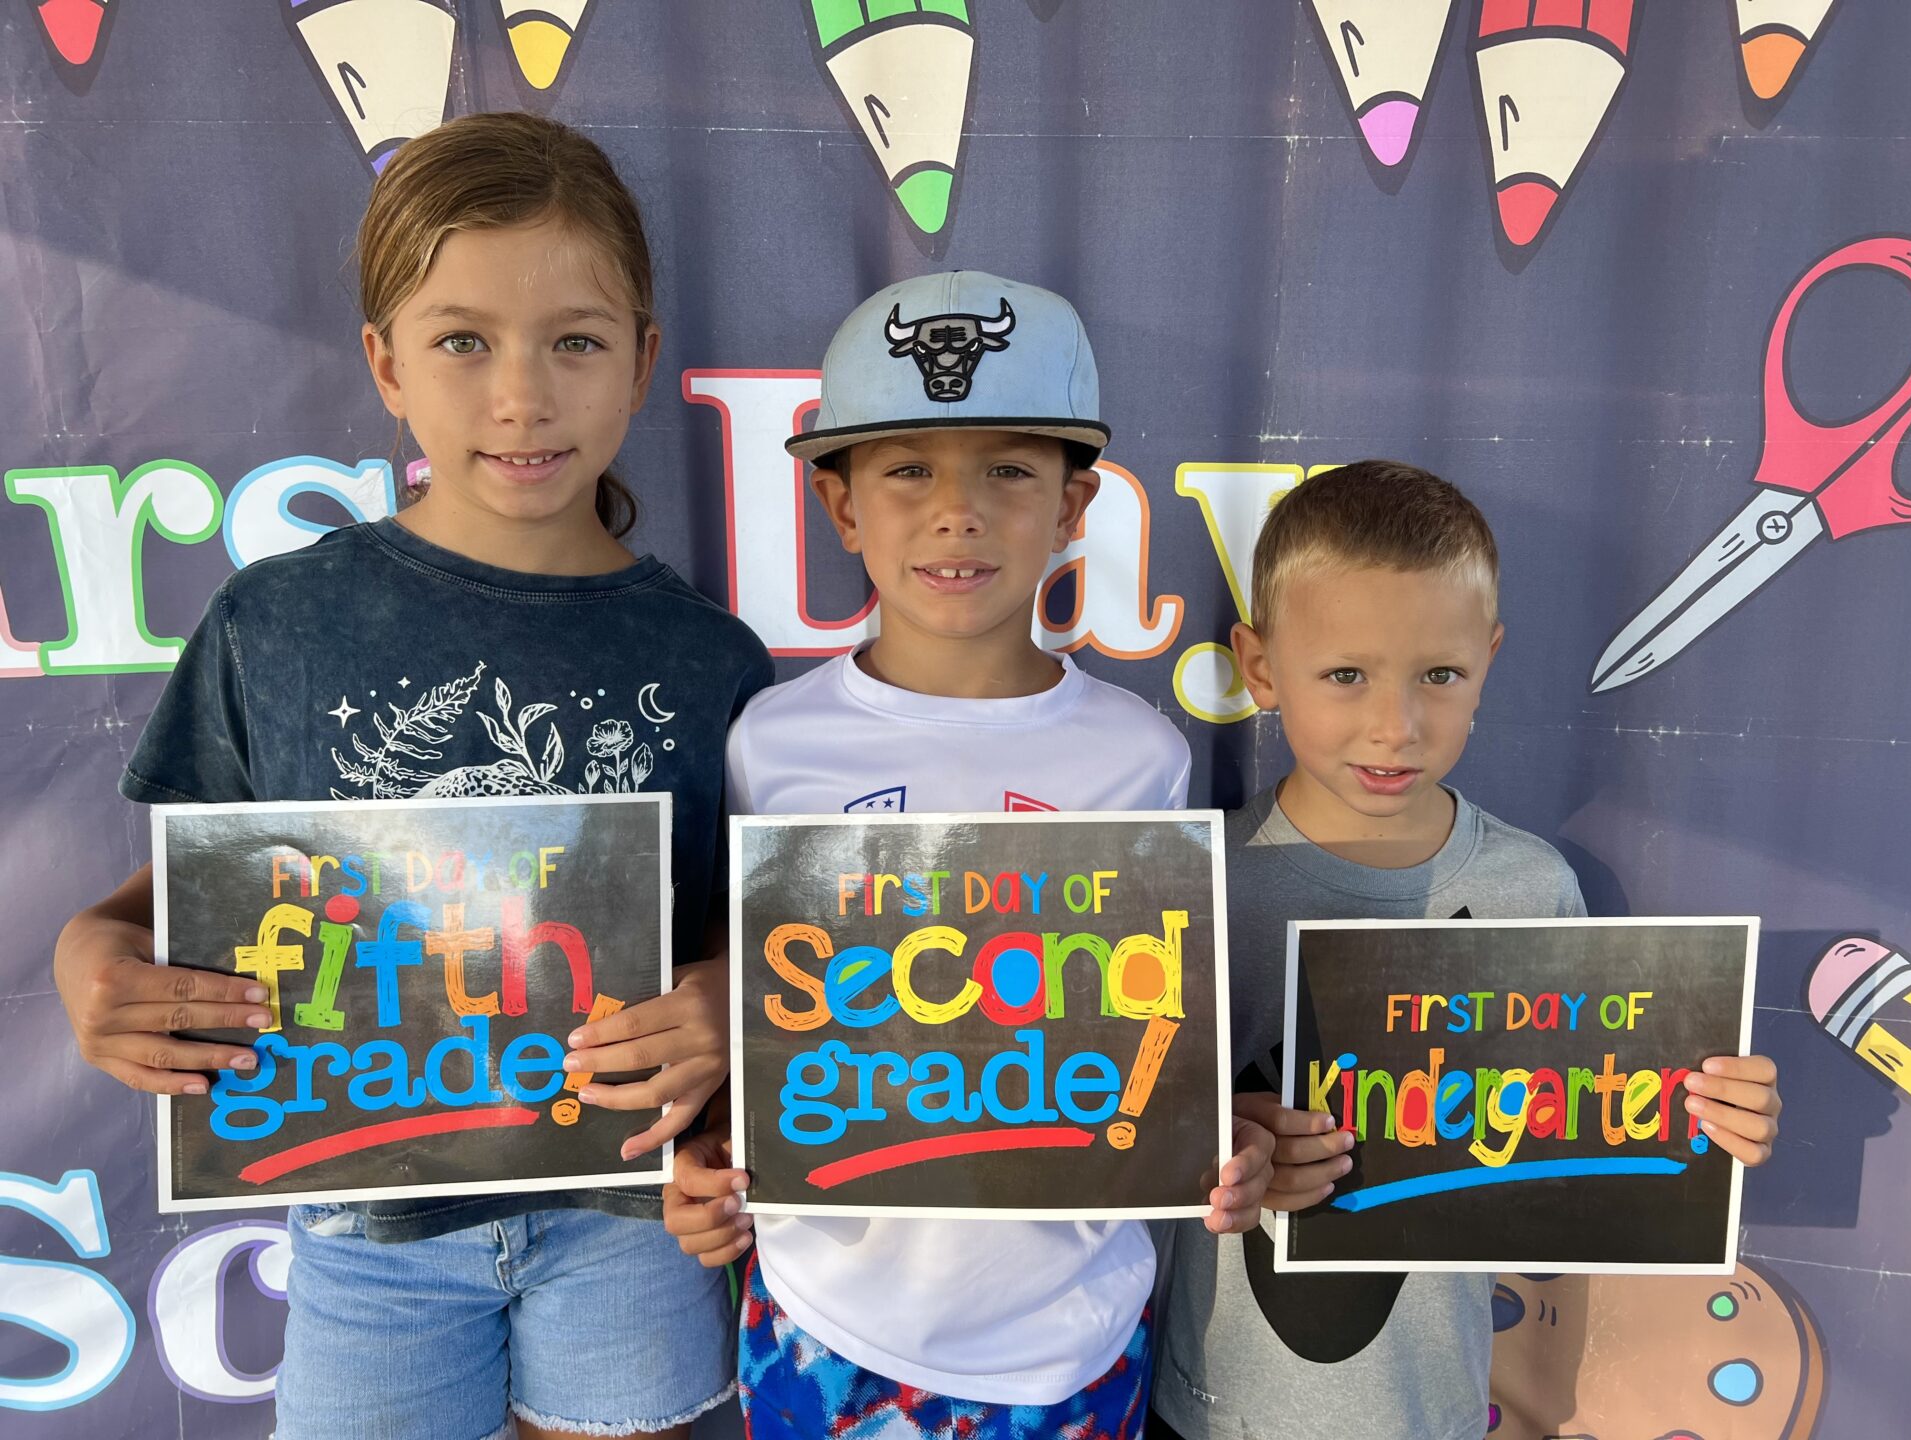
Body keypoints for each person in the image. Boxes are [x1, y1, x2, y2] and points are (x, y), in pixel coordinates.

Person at [50, 112, 773, 1440]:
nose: (522, 396)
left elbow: (754, 931)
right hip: (368, 1230)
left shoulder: (709, 657)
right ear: (386, 362)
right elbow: (186, 897)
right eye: (463, 341)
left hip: (629, 1213)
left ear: (641, 360)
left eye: (575, 341)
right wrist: (91, 956)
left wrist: (732, 1005)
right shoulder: (277, 626)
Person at [663, 270, 1277, 1439]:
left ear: (1074, 505)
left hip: (1070, 1333)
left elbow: (1146, 1039)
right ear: (842, 506)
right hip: (821, 1318)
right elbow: (755, 1023)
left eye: (1007, 470)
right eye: (908, 471)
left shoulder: (1139, 757)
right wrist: (704, 1157)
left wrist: (1213, 1138)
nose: (958, 512)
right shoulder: (770, 742)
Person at [1146, 460, 1784, 1440]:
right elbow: (1107, 1132)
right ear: (1261, 667)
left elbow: (1590, 1145)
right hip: (1214, 1412)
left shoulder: (1535, 890)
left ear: (1486, 661)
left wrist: (1710, 1121)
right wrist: (1219, 1141)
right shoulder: (1194, 885)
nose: (1395, 726)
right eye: (1346, 675)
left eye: (1438, 676)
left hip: (1434, 1410)